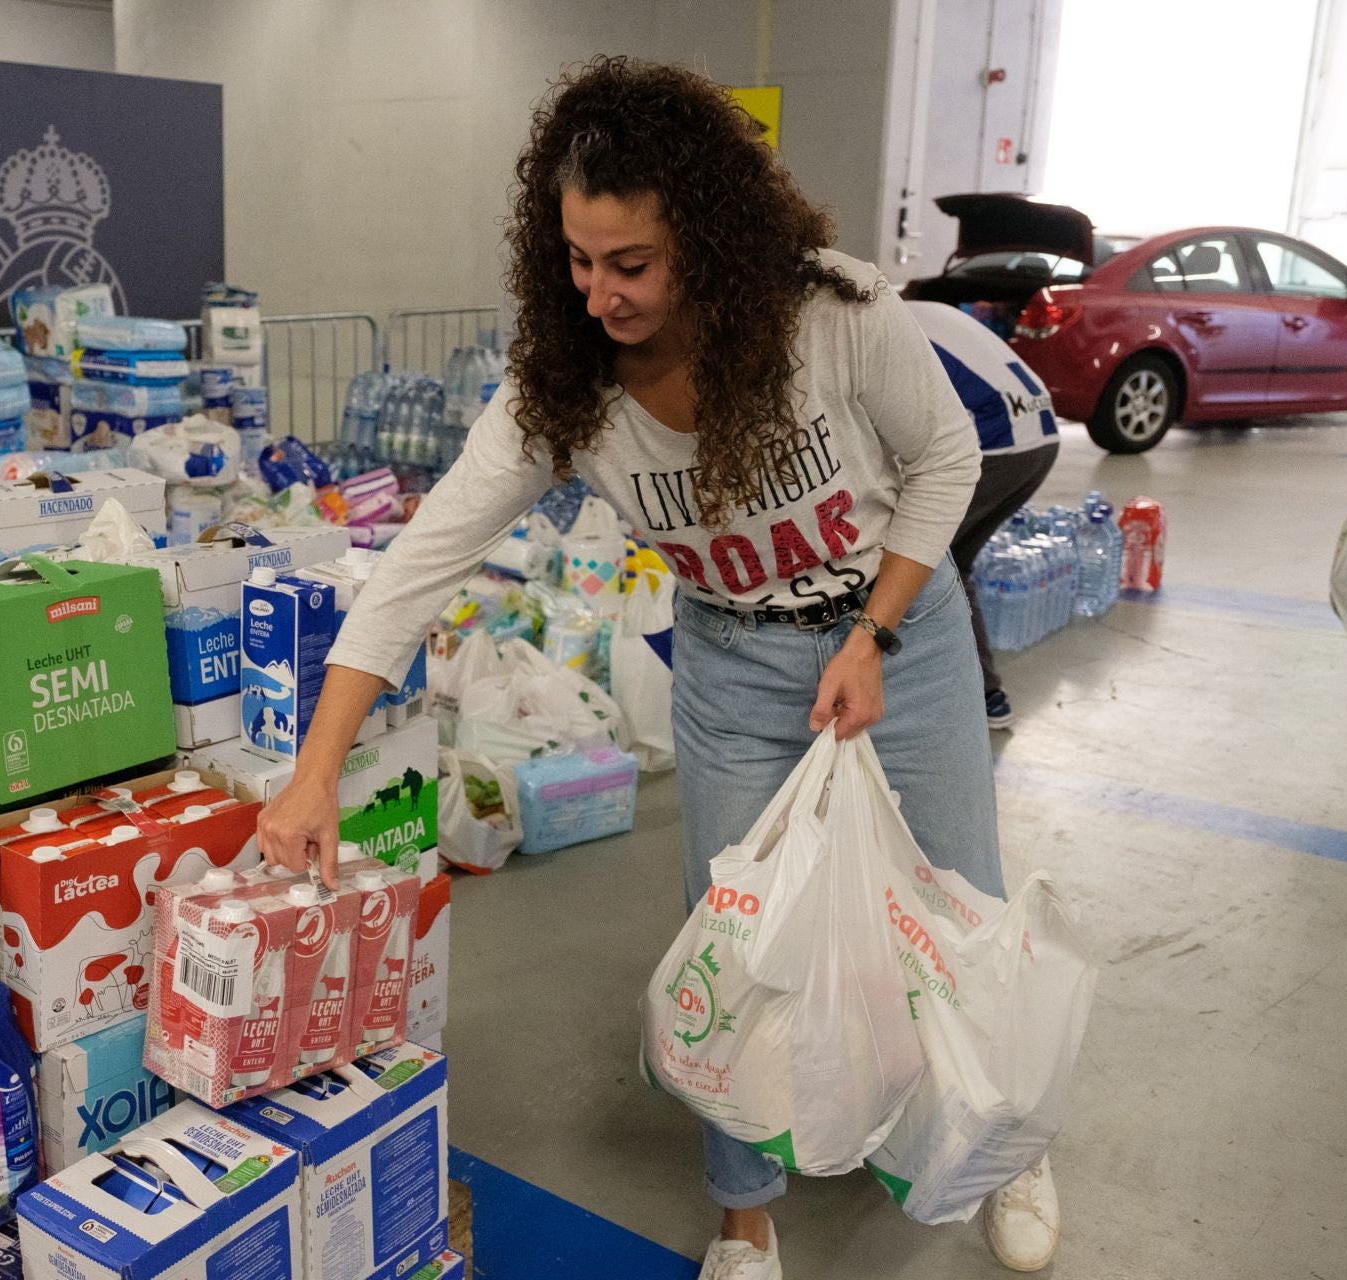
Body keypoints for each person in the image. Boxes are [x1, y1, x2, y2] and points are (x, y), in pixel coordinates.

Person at [257, 57, 1061, 1276]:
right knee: (730, 962)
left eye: (629, 263)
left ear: (709, 237)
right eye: (577, 261)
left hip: (905, 642)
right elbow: (420, 562)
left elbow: (945, 465)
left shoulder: (832, 316)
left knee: (961, 913)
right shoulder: (564, 392)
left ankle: (1003, 1143)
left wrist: (875, 630)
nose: (600, 294)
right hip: (735, 669)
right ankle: (744, 1215)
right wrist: (315, 771)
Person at [906, 300, 1062, 730]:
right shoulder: (926, 310)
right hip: (1042, 438)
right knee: (951, 564)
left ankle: (899, 698)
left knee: (902, 562)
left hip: (993, 447)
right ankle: (985, 693)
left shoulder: (875, 326)